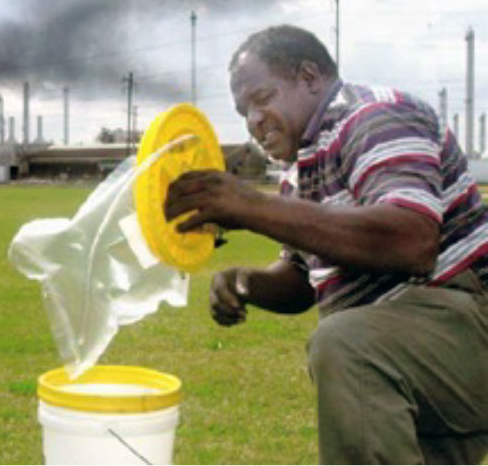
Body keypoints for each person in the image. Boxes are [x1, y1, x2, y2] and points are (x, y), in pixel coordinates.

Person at [164, 24, 488, 464]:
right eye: (243, 112)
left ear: (310, 78)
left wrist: (250, 208)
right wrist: (245, 283)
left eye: (263, 99)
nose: (254, 121)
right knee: (352, 339)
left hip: (466, 320)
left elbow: (412, 238)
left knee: (347, 342)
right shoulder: (301, 171)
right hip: (418, 350)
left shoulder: (372, 117)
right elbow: (304, 281)